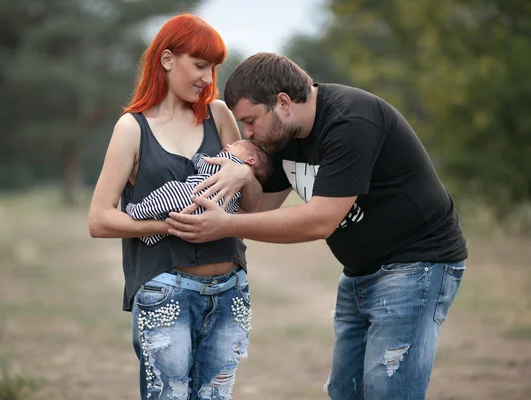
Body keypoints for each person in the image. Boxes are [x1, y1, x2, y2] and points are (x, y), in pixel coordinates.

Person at [165, 52, 468, 400]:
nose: (247, 132)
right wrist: (245, 170)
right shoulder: (283, 136)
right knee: (345, 392)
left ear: (283, 102)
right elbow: (261, 206)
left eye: (250, 120)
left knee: (387, 392)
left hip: (417, 265)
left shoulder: (350, 120)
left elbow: (321, 220)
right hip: (359, 273)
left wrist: (224, 225)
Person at [88, 14, 263, 400]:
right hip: (165, 290)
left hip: (231, 288)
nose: (208, 77)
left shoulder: (219, 115)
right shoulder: (132, 128)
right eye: (200, 65)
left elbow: (249, 209)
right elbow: (99, 219)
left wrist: (244, 175)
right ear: (167, 59)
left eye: (214, 67)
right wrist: (169, 226)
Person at [126, 139, 270, 246]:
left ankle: (138, 211)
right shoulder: (240, 189)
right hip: (213, 212)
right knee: (171, 218)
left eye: (236, 145)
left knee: (170, 192)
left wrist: (197, 158)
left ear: (250, 160)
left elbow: (206, 163)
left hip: (192, 197)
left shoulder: (228, 161)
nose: (228, 145)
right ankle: (150, 236)